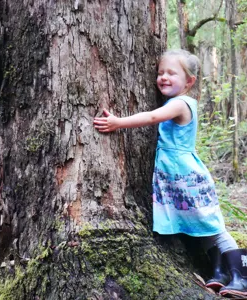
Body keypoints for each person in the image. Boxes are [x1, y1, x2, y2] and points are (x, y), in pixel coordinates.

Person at [93, 49, 247, 298]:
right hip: (177, 176)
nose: (163, 77)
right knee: (201, 227)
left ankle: (242, 278)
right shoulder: (177, 101)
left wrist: (118, 123)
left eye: (171, 73)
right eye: (160, 72)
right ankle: (220, 274)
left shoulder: (180, 103)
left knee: (213, 226)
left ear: (189, 82)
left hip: (187, 176)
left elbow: (153, 117)